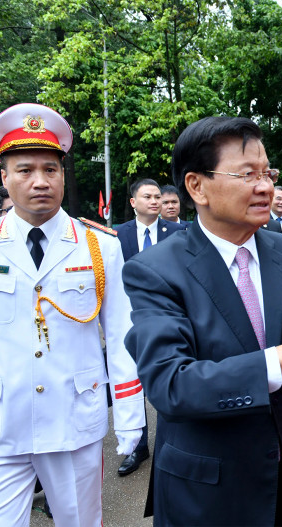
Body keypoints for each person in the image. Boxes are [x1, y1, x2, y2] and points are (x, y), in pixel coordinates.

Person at [122, 116, 282, 526]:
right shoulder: (155, 270)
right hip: (211, 493)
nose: (265, 187)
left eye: (267, 173)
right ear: (197, 186)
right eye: (247, 174)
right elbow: (171, 384)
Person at [0, 103, 145, 525]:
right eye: (25, 170)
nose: (40, 181)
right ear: (4, 177)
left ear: (63, 176)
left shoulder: (100, 246)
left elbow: (122, 336)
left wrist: (130, 420)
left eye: (50, 169)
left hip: (73, 422)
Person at [114, 178, 185, 476]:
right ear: (133, 202)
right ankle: (138, 446)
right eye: (148, 197)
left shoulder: (179, 232)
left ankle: (174, 443)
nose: (155, 201)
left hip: (170, 316)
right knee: (133, 379)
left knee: (171, 376)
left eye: (158, 196)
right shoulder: (116, 235)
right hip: (128, 317)